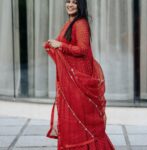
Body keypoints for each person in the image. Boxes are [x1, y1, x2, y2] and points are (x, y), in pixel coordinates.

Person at [43, 0, 115, 149]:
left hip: (80, 81)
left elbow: (82, 49)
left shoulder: (80, 23)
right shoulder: (69, 23)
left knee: (83, 120)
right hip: (71, 81)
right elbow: (65, 46)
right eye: (68, 2)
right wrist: (53, 45)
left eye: (74, 2)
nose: (70, 5)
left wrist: (61, 45)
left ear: (80, 5)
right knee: (74, 120)